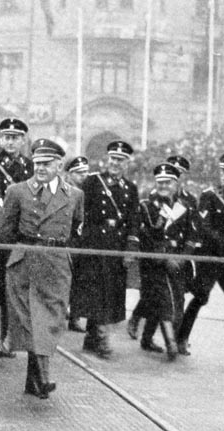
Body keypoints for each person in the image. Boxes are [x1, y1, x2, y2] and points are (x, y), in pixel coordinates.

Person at [0, 138, 83, 398]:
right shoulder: (18, 191)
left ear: (59, 165)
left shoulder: (75, 195)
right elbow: (5, 230)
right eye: (36, 163)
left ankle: (35, 380)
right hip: (26, 261)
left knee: (50, 320)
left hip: (56, 263)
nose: (40, 168)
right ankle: (42, 378)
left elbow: (78, 229)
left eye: (46, 164)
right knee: (32, 321)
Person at [177, 152, 224, 362]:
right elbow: (204, 227)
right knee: (201, 297)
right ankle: (181, 339)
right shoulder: (209, 196)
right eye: (223, 171)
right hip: (211, 257)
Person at [73, 141, 139, 359]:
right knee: (97, 291)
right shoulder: (93, 182)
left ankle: (91, 338)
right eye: (113, 159)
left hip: (117, 245)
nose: (115, 163)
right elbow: (81, 212)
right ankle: (101, 338)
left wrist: (130, 246)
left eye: (120, 160)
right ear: (107, 159)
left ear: (127, 163)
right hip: (95, 244)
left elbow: (133, 221)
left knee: (109, 291)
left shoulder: (131, 188)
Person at [0, 118, 34, 359]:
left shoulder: (30, 167)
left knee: (12, 289)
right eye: (7, 137)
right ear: (0, 139)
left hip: (19, 236)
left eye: (16, 137)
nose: (11, 142)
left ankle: (5, 339)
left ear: (23, 141)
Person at [136, 163, 199, 360]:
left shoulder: (185, 207)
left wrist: (181, 257)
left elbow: (191, 235)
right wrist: (165, 257)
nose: (163, 186)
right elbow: (147, 236)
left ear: (176, 183)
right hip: (156, 263)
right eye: (160, 182)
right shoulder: (146, 205)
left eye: (168, 182)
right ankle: (171, 344)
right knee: (165, 301)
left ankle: (146, 338)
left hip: (178, 262)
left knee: (177, 301)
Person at [64, 155, 90, 333]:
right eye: (79, 173)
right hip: (66, 240)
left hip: (83, 240)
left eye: (86, 172)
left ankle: (75, 316)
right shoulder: (64, 190)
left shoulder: (89, 191)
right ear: (70, 174)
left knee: (80, 279)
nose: (84, 176)